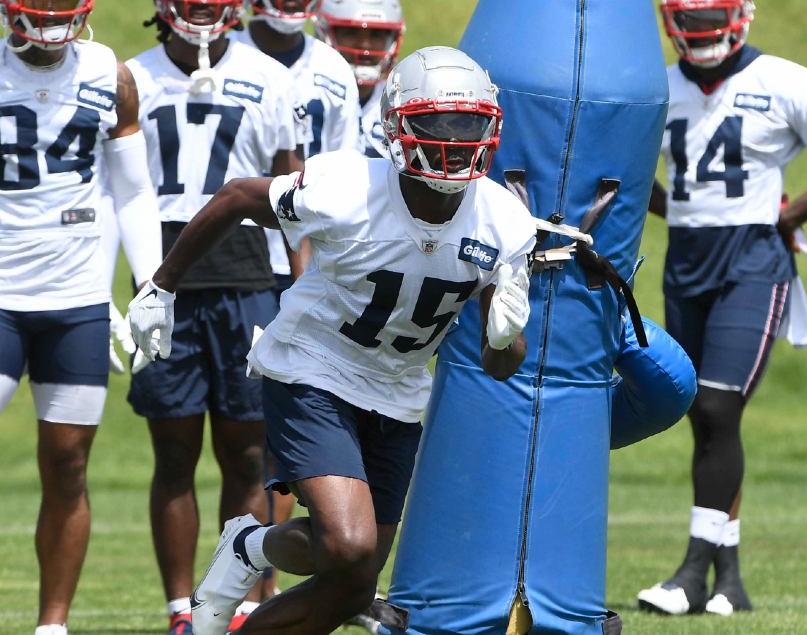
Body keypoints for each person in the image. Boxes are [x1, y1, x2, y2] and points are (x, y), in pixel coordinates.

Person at [128, 46, 537, 635]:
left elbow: (499, 363)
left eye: (466, 125)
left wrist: (508, 330)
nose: (452, 140)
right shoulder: (346, 187)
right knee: (347, 547)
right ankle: (252, 549)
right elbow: (239, 196)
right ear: (398, 126)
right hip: (313, 367)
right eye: (436, 124)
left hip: (397, 391)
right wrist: (162, 287)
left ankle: (248, 549)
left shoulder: (505, 223)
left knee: (355, 579)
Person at [637, 0, 807, 617]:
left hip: (753, 259)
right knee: (704, 415)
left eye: (713, 17)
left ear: (740, 13)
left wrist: (789, 215)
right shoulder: (655, 91)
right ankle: (730, 581)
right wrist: (677, 208)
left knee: (717, 408)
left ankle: (691, 572)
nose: (704, 29)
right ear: (671, 20)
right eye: (690, 19)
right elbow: (630, 174)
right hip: (686, 258)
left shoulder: (786, 81)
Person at [127, 0, 302, 633]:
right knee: (173, 452)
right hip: (162, 277)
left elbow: (294, 193)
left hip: (250, 276)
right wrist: (140, 282)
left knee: (250, 453)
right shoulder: (134, 75)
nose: (200, 3)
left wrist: (300, 286)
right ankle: (180, 608)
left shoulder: (271, 77)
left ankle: (238, 604)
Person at [0, 0, 162, 634]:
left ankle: (52, 624)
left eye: (63, 0)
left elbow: (131, 189)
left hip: (76, 300)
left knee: (68, 462)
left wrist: (152, 284)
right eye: (36, 0)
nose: (49, 15)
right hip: (2, 295)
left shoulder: (109, 73)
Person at [230, 0, 359, 296]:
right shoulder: (225, 54)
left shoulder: (334, 67)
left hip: (313, 253)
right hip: (234, 252)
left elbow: (344, 174)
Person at [313, 0, 405, 159]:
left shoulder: (401, 106)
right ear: (325, 32)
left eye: (377, 34)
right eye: (351, 32)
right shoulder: (303, 95)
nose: (365, 45)